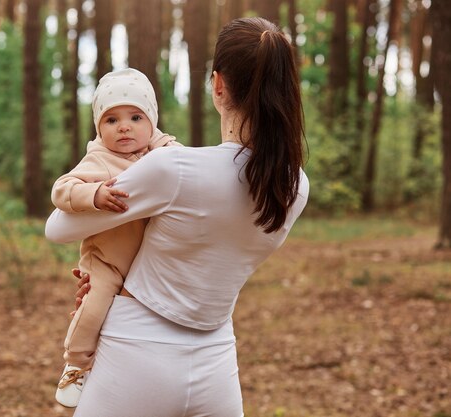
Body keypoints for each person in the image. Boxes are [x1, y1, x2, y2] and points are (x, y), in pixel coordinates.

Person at [46, 17, 309, 417]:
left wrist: (105, 272)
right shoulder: (293, 185)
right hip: (217, 360)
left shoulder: (175, 169)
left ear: (218, 85)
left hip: (134, 352)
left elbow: (57, 227)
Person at [51, 67, 180, 407]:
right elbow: (62, 189)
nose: (124, 126)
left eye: (136, 117)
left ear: (152, 122)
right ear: (99, 129)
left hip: (149, 260)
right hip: (107, 259)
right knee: (93, 307)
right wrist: (93, 194)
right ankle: (75, 364)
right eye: (111, 120)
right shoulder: (100, 159)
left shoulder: (166, 153)